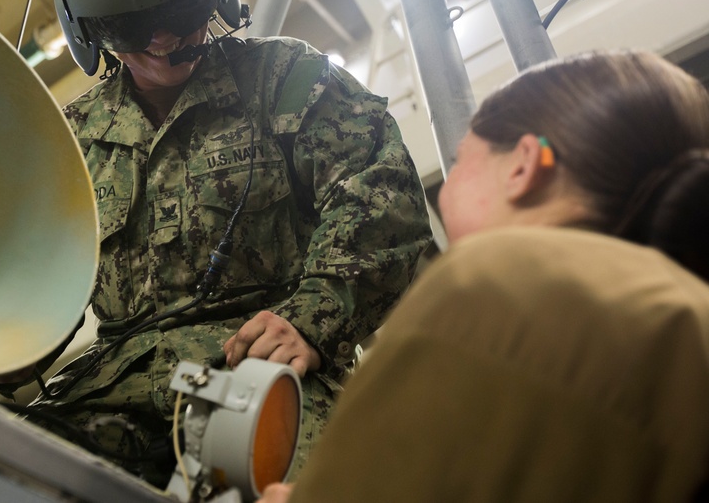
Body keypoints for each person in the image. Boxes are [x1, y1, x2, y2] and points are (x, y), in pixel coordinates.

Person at [0, 0, 433, 488]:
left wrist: (313, 317)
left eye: (180, 12)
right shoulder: (68, 142)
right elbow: (29, 300)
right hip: (106, 393)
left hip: (266, 370)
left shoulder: (286, 78)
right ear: (92, 29)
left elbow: (382, 198)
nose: (165, 39)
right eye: (137, 28)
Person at [258, 48, 709, 503]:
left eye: (460, 157)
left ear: (523, 164)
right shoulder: (681, 323)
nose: (448, 185)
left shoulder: (496, 286)